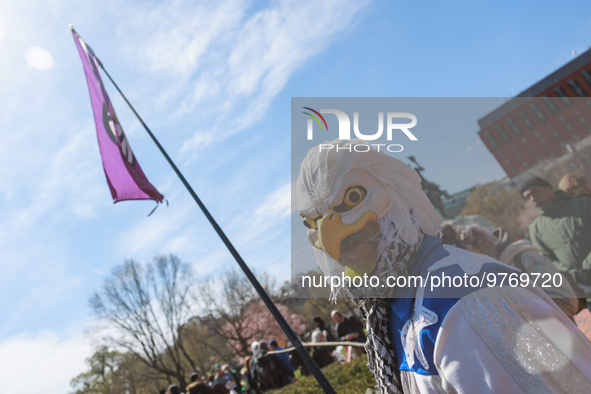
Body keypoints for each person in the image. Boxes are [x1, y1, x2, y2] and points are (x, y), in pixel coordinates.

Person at [296, 139, 591, 393]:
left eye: (352, 198)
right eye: (313, 222)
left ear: (398, 195)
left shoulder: (464, 300)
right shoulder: (400, 304)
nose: (328, 234)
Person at [456, 224, 579, 318]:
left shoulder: (525, 258)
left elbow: (566, 301)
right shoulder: (490, 276)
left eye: (471, 257)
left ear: (481, 243)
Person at [522, 176, 591, 298]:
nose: (532, 199)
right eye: (528, 197)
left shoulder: (583, 203)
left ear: (548, 188)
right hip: (582, 289)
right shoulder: (536, 229)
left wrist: (588, 266)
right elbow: (547, 260)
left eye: (534, 192)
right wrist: (575, 275)